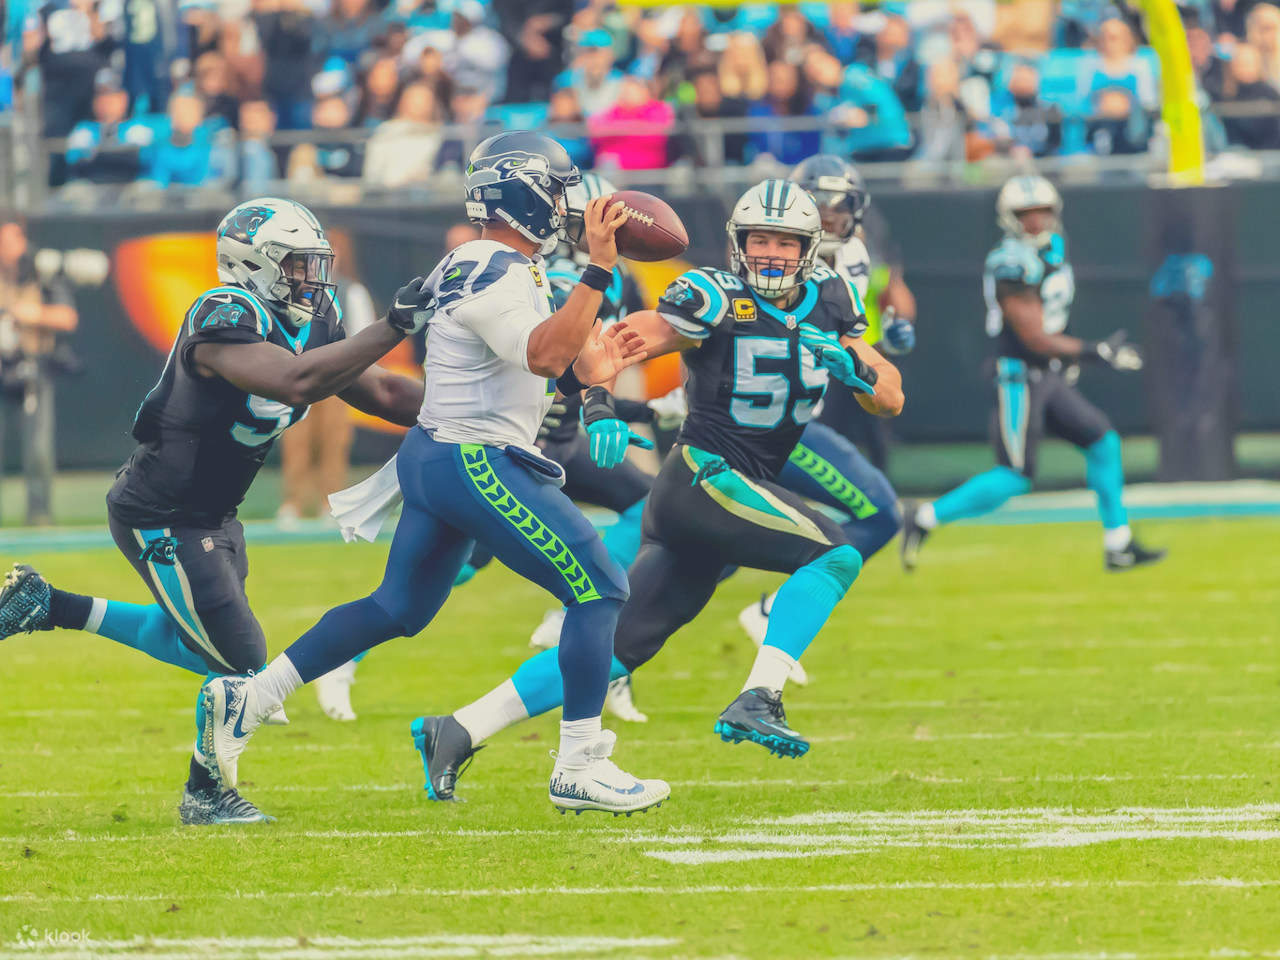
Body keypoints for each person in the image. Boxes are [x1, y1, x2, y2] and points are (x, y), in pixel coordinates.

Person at [198, 133, 668, 818]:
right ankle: (579, 763)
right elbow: (539, 355)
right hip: (473, 458)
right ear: (527, 194)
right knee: (600, 587)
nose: (572, 202)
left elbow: (542, 361)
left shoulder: (500, 263)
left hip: (444, 454)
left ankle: (250, 699)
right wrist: (598, 271)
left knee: (399, 608)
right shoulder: (493, 265)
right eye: (559, 188)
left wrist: (590, 370)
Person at [411, 179, 904, 801]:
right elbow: (621, 342)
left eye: (784, 241)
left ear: (808, 248)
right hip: (706, 476)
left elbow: (889, 395)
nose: (771, 253)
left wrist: (858, 370)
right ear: (738, 245)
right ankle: (762, 695)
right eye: (759, 240)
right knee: (834, 553)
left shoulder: (833, 297)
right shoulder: (713, 295)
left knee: (619, 649)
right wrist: (600, 399)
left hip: (726, 491)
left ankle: (457, 729)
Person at [0, 198, 429, 825]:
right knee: (245, 665)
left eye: (316, 265)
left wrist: (467, 412)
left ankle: (48, 604)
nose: (313, 280)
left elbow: (384, 390)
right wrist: (393, 325)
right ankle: (204, 793)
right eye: (299, 266)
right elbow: (295, 382)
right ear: (253, 265)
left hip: (216, 514)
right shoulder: (223, 313)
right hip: (163, 511)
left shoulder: (315, 316)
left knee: (202, 643)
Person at [899, 175, 1166, 573]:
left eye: (1042, 211)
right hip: (1018, 374)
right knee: (1015, 474)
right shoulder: (1010, 261)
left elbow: (1050, 326)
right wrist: (1096, 352)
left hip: (1046, 373)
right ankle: (923, 517)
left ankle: (1119, 544)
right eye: (1026, 214)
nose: (1036, 221)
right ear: (1009, 218)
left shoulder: (1055, 247)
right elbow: (1034, 337)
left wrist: (1069, 358)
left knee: (1103, 442)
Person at [736, 155, 914, 667]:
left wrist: (889, 336)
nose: (833, 218)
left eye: (841, 209)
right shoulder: (771, 263)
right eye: (823, 207)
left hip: (822, 391)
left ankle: (609, 633)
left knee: (708, 555)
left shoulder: (852, 254)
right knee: (872, 515)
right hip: (762, 419)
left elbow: (859, 320)